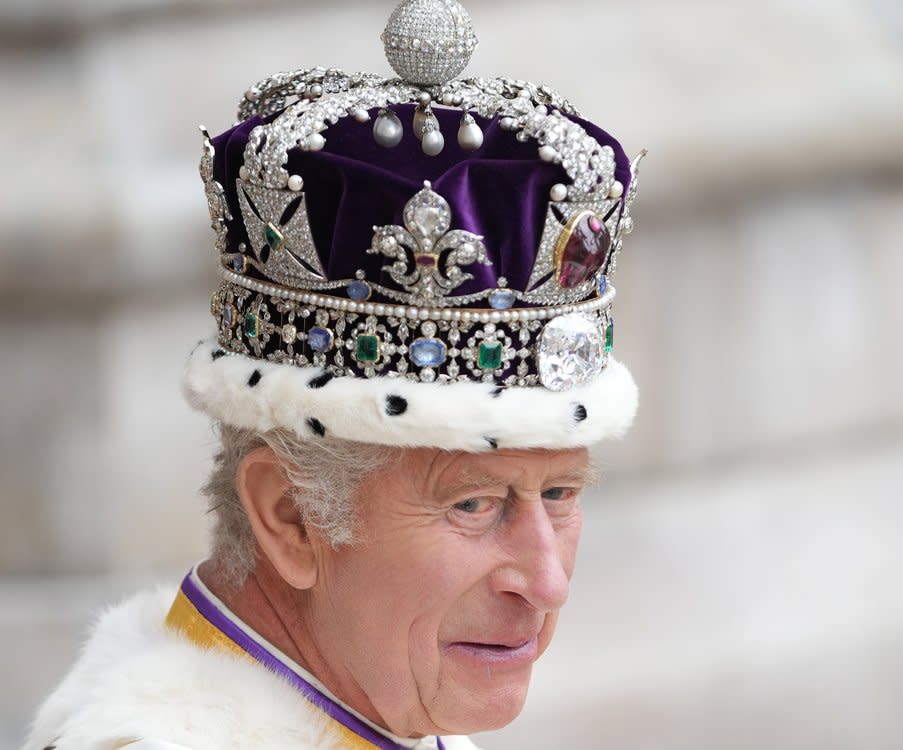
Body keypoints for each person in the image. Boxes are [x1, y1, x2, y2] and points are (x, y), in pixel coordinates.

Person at [21, 1, 643, 748]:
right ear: (290, 518)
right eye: (475, 503)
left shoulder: (383, 712)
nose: (548, 584)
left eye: (561, 493)